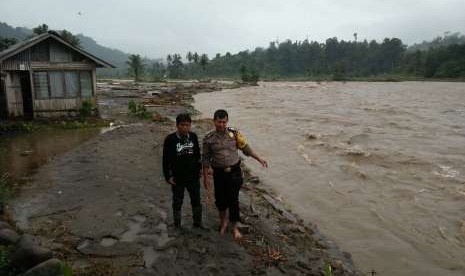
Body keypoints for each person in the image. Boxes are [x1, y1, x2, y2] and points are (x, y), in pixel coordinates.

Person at [202, 109, 267, 239]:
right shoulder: (208, 138)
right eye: (219, 122)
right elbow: (205, 159)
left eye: (223, 122)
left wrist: (259, 159)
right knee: (220, 200)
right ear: (214, 121)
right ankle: (223, 222)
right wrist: (205, 177)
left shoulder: (234, 133)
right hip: (219, 173)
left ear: (227, 121)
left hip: (234, 172)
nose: (221, 125)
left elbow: (246, 149)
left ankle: (235, 227)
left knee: (233, 200)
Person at [163, 113, 202, 228]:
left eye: (187, 125)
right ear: (177, 125)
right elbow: (165, 160)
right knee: (177, 201)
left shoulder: (193, 136)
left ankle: (197, 223)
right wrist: (168, 176)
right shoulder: (170, 139)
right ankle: (177, 224)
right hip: (177, 177)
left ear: (190, 125)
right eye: (182, 125)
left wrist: (199, 169)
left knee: (196, 200)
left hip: (193, 176)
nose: (185, 127)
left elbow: (197, 154)